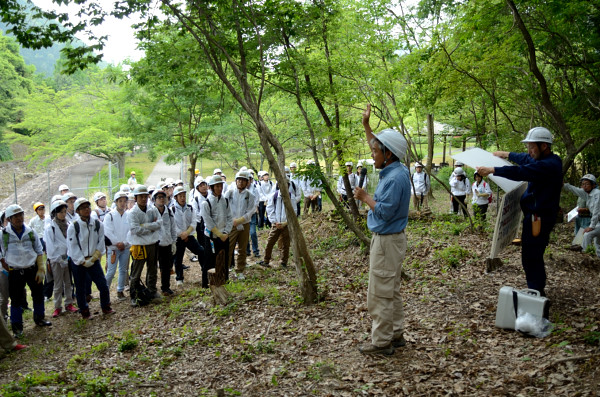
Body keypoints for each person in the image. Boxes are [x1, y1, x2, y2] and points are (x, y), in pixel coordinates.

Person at [477, 127, 562, 296]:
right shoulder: (545, 159)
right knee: (533, 255)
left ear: (544, 146)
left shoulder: (549, 165)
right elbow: (525, 158)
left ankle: (536, 292)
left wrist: (493, 170)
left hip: (539, 218)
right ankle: (537, 288)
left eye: (532, 147)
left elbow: (521, 171)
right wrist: (507, 154)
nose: (529, 151)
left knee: (531, 256)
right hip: (536, 216)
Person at [353, 104, 410, 356]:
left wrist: (365, 197)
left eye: (376, 151)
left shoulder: (395, 178)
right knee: (391, 289)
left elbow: (384, 211)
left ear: (388, 154)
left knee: (380, 293)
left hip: (387, 242)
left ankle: (382, 342)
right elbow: (376, 145)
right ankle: (395, 333)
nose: (372, 154)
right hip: (391, 241)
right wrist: (366, 125)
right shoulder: (395, 169)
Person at [1, 204, 50, 337]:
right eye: (15, 216)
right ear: (9, 219)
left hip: (32, 269)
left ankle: (40, 318)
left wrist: (40, 268)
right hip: (15, 271)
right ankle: (17, 327)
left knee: (38, 294)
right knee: (16, 299)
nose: (19, 218)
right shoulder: (4, 234)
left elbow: (39, 250)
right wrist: (5, 266)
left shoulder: (30, 231)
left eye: (20, 215)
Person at [67, 198, 114, 319]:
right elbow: (72, 246)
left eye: (87, 207)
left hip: (94, 259)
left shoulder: (97, 223)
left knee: (102, 284)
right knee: (81, 287)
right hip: (78, 262)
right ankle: (84, 310)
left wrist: (94, 257)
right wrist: (82, 260)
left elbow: (101, 241)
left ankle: (106, 306)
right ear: (78, 211)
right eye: (82, 208)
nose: (86, 210)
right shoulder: (74, 226)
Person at [127, 185, 162, 305]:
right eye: (140, 196)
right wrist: (151, 226)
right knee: (137, 271)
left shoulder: (153, 209)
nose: (143, 199)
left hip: (152, 243)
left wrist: (145, 226)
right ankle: (134, 295)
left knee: (152, 268)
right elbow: (135, 229)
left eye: (145, 196)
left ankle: (152, 291)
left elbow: (159, 223)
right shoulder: (132, 213)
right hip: (139, 244)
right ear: (136, 198)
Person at [44, 200, 78, 317]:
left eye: (64, 212)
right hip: (56, 260)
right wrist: (59, 259)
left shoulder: (69, 225)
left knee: (68, 282)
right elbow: (50, 246)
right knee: (58, 285)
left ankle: (69, 303)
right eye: (61, 212)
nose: (63, 214)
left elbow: (71, 242)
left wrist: (69, 256)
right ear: (55, 213)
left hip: (68, 258)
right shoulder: (50, 228)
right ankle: (57, 306)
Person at [224, 171, 257, 280]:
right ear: (235, 181)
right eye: (239, 180)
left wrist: (240, 220)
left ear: (247, 182)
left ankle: (240, 270)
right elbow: (225, 208)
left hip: (244, 225)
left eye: (243, 180)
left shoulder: (250, 195)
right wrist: (232, 220)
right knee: (229, 247)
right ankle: (226, 269)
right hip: (231, 224)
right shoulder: (229, 193)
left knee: (243, 248)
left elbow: (251, 210)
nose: (241, 182)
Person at [171, 186, 205, 287]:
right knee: (178, 258)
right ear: (176, 197)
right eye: (180, 196)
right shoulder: (172, 209)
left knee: (201, 251)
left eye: (183, 196)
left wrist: (187, 232)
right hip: (178, 237)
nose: (182, 198)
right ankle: (179, 278)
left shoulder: (190, 208)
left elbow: (193, 222)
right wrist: (181, 234)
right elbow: (173, 225)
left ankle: (204, 270)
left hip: (189, 236)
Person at [201, 175, 233, 281]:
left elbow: (229, 217)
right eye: (217, 186)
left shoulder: (225, 201)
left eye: (221, 186)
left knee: (224, 259)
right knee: (210, 260)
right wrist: (219, 234)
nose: (220, 188)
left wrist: (226, 232)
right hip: (212, 237)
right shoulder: (206, 203)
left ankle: (224, 279)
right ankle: (207, 283)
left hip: (224, 235)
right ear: (212, 187)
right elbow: (208, 221)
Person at [259, 176, 294, 269]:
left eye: (286, 184)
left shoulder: (291, 196)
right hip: (276, 224)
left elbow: (293, 211)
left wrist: (286, 223)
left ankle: (284, 262)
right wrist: (275, 222)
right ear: (278, 185)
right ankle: (266, 260)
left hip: (286, 225)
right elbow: (270, 209)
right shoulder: (274, 196)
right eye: (281, 184)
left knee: (286, 244)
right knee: (270, 242)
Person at [103, 191, 131, 301]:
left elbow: (130, 231)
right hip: (114, 248)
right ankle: (105, 292)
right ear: (116, 202)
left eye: (124, 201)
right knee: (111, 271)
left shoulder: (128, 215)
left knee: (123, 270)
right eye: (120, 201)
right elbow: (108, 231)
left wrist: (124, 243)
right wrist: (117, 243)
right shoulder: (109, 216)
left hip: (125, 247)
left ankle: (120, 291)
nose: (123, 203)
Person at [152, 189, 178, 295]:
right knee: (153, 267)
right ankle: (152, 289)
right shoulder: (151, 212)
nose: (161, 199)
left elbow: (173, 227)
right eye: (159, 197)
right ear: (154, 200)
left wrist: (173, 242)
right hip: (155, 243)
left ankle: (165, 287)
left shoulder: (169, 211)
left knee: (166, 267)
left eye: (163, 197)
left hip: (167, 243)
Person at [245, 170, 261, 258]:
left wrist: (252, 210)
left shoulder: (254, 188)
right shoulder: (241, 189)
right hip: (243, 215)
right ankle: (247, 250)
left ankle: (256, 250)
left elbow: (256, 200)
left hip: (252, 214)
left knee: (253, 232)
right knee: (245, 234)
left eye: (249, 179)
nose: (247, 181)